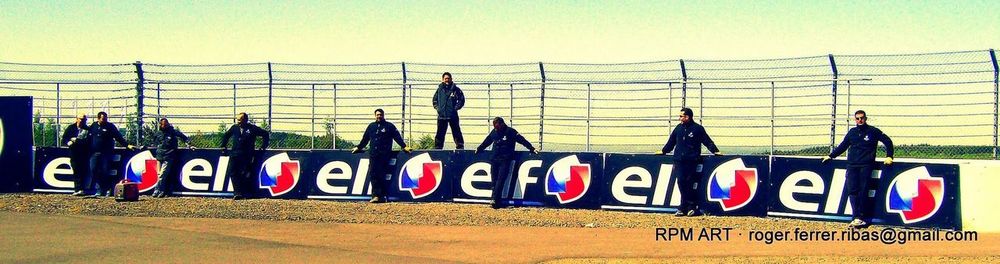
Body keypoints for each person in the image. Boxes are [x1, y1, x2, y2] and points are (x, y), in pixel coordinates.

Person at [823, 110, 894, 228]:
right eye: (857, 118)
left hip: (866, 165)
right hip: (852, 165)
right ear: (855, 119)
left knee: (863, 191)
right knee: (852, 191)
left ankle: (861, 217)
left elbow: (887, 141)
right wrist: (831, 156)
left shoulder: (873, 131)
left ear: (865, 118)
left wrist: (889, 156)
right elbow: (843, 146)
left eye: (862, 118)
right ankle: (855, 217)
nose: (860, 120)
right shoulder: (852, 132)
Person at [656, 107, 722, 217]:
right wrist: (663, 151)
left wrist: (715, 151)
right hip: (679, 161)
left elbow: (707, 141)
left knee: (689, 183)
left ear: (688, 117)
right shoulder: (678, 128)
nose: (680, 118)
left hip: (691, 161)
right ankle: (686, 206)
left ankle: (688, 207)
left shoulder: (698, 129)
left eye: (681, 116)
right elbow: (671, 142)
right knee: (681, 182)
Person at [475, 117, 538, 209]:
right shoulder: (494, 132)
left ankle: (494, 199)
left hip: (505, 160)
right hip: (494, 159)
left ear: (502, 124)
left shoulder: (510, 132)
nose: (496, 129)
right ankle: (496, 201)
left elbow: (522, 140)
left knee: (500, 180)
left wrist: (531, 148)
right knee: (494, 180)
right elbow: (487, 141)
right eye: (495, 127)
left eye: (497, 126)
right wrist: (479, 148)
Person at [351, 108, 411, 203]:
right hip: (374, 155)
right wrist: (358, 147)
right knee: (373, 174)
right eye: (377, 115)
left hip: (385, 155)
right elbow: (365, 139)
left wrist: (404, 146)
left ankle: (383, 196)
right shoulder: (371, 126)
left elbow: (397, 137)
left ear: (383, 115)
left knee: (383, 175)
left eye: (380, 115)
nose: (379, 116)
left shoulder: (389, 126)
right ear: (375, 116)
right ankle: (375, 196)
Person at [220, 113, 270, 200]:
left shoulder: (252, 128)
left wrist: (263, 147)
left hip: (247, 155)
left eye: (240, 120)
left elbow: (265, 134)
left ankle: (247, 193)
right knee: (233, 172)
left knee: (246, 173)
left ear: (245, 120)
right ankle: (237, 193)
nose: (238, 122)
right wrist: (223, 146)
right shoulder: (234, 127)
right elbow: (226, 135)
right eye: (237, 120)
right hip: (234, 154)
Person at [87, 111, 135, 197]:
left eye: (106, 118)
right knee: (93, 170)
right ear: (98, 118)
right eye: (103, 119)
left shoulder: (110, 126)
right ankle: (98, 188)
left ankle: (105, 189)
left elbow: (118, 137)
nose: (105, 120)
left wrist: (127, 145)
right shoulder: (93, 126)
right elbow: (88, 138)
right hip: (94, 153)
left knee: (105, 172)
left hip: (106, 153)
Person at [152, 118, 194, 198]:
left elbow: (183, 137)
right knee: (159, 175)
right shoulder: (158, 134)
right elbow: (154, 143)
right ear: (160, 125)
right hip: (159, 156)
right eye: (163, 124)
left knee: (162, 175)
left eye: (166, 124)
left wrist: (188, 144)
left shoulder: (172, 132)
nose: (164, 125)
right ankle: (163, 190)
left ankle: (157, 190)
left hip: (169, 156)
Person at [432, 72, 466, 149]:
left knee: (456, 131)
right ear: (443, 80)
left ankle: (460, 147)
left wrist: (455, 108)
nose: (447, 80)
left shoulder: (456, 90)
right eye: (445, 79)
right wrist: (438, 109)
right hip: (442, 116)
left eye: (448, 78)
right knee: (440, 133)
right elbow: (434, 100)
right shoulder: (439, 90)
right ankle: (438, 148)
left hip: (452, 115)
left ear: (451, 79)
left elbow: (461, 100)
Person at [61, 113, 91, 196]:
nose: (82, 121)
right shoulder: (71, 128)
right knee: (76, 170)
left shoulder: (87, 129)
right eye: (81, 119)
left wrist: (77, 140)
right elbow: (64, 138)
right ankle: (77, 189)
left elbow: (89, 141)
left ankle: (82, 189)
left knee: (84, 171)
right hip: (74, 153)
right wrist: (68, 142)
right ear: (77, 119)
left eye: (84, 120)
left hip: (84, 154)